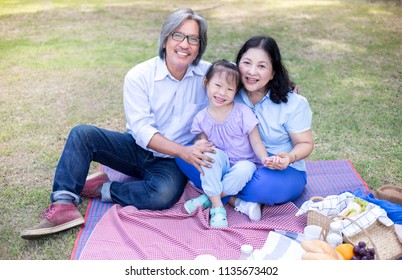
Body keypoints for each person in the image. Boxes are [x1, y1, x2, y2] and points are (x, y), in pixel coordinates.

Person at [21, 8, 217, 240]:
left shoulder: (208, 76)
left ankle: (102, 188)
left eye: (193, 39)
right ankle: (64, 205)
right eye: (178, 35)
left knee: (162, 195)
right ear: (165, 39)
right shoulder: (139, 75)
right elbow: (143, 131)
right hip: (134, 148)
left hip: (171, 162)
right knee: (82, 134)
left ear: (199, 46)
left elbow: (232, 92)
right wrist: (184, 151)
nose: (185, 44)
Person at [176, 35, 314, 219]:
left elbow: (305, 143)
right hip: (233, 161)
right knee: (184, 157)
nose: (252, 72)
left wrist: (289, 157)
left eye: (262, 66)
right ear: (238, 63)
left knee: (265, 187)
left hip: (275, 168)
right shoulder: (231, 90)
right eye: (247, 63)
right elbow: (216, 72)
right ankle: (233, 199)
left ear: (273, 72)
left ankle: (212, 197)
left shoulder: (293, 103)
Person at [183, 59, 273, 228]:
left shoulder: (242, 112)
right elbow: (204, 145)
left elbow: (256, 141)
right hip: (221, 163)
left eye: (229, 89)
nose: (222, 93)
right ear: (206, 83)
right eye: (217, 86)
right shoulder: (201, 118)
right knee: (208, 156)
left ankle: (209, 199)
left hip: (243, 163)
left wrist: (265, 159)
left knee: (245, 168)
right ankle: (218, 208)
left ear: (236, 91)